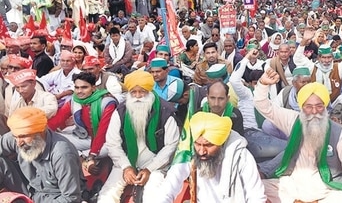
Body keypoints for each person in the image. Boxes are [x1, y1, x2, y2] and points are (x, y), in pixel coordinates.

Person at [255, 69, 342, 203]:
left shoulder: (340, 133)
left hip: (326, 190)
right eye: (308, 106)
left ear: (326, 106)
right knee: (258, 189)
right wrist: (263, 84)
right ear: (301, 107)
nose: (314, 112)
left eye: (319, 106)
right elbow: (264, 106)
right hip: (293, 186)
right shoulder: (293, 120)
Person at [98, 71, 179, 202]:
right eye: (133, 93)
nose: (137, 97)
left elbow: (171, 145)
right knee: (106, 196)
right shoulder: (121, 111)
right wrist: (126, 166)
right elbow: (113, 143)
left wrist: (149, 169)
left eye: (142, 92)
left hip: (156, 164)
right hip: (126, 160)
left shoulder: (165, 112)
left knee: (153, 197)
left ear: (150, 91)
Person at [159, 112, 267, 202]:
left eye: (208, 145)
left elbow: (256, 196)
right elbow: (167, 189)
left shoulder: (242, 157)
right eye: (197, 144)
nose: (201, 151)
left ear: (222, 143)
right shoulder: (189, 154)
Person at [0, 107, 85, 202]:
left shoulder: (62, 154)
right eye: (15, 137)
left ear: (40, 133)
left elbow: (71, 199)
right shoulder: (18, 135)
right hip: (29, 187)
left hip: (51, 198)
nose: (19, 143)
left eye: (23, 136)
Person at [48, 72, 118, 157]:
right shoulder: (75, 100)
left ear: (93, 88)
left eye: (84, 87)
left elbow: (102, 132)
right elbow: (57, 119)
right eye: (76, 88)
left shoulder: (107, 103)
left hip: (106, 141)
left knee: (110, 148)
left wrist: (92, 154)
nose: (79, 91)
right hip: (84, 138)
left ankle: (83, 157)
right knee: (50, 138)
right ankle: (81, 156)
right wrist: (39, 133)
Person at [294, 29, 342, 107]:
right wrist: (303, 42)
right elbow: (298, 59)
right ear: (318, 58)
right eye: (324, 58)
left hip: (333, 105)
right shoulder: (312, 68)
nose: (326, 61)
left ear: (332, 57)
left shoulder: (338, 68)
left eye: (329, 57)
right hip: (315, 105)